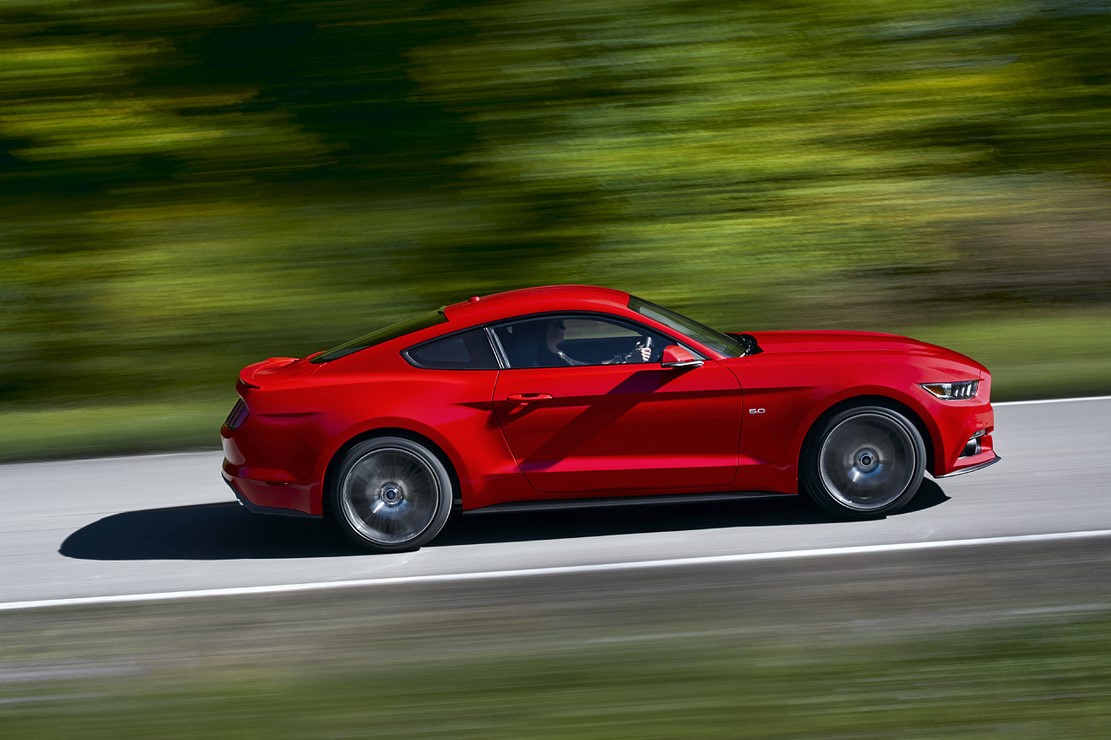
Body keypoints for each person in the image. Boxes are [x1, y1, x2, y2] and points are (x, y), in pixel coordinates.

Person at [540, 319, 652, 366]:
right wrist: (630, 362)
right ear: (543, 330)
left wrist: (625, 359)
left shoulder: (556, 354)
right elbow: (587, 379)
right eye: (558, 324)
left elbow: (587, 367)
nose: (564, 328)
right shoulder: (551, 361)